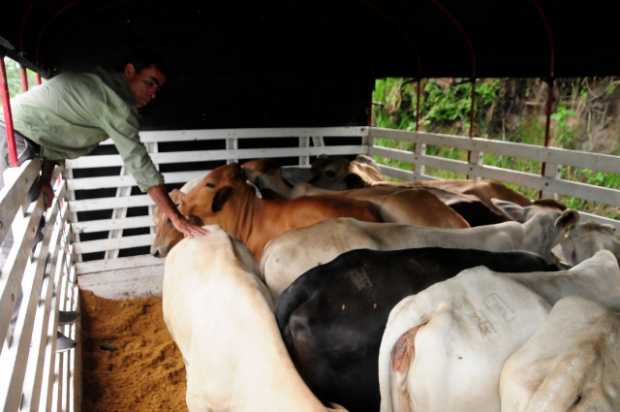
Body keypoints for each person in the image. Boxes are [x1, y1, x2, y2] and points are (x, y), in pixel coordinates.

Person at [1, 49, 208, 238]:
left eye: (157, 88)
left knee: (30, 224)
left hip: (23, 136)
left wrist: (45, 177)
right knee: (11, 228)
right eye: (149, 83)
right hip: (10, 136)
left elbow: (51, 138)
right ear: (129, 71)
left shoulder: (103, 86)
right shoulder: (113, 102)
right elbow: (139, 164)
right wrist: (176, 218)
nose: (153, 94)